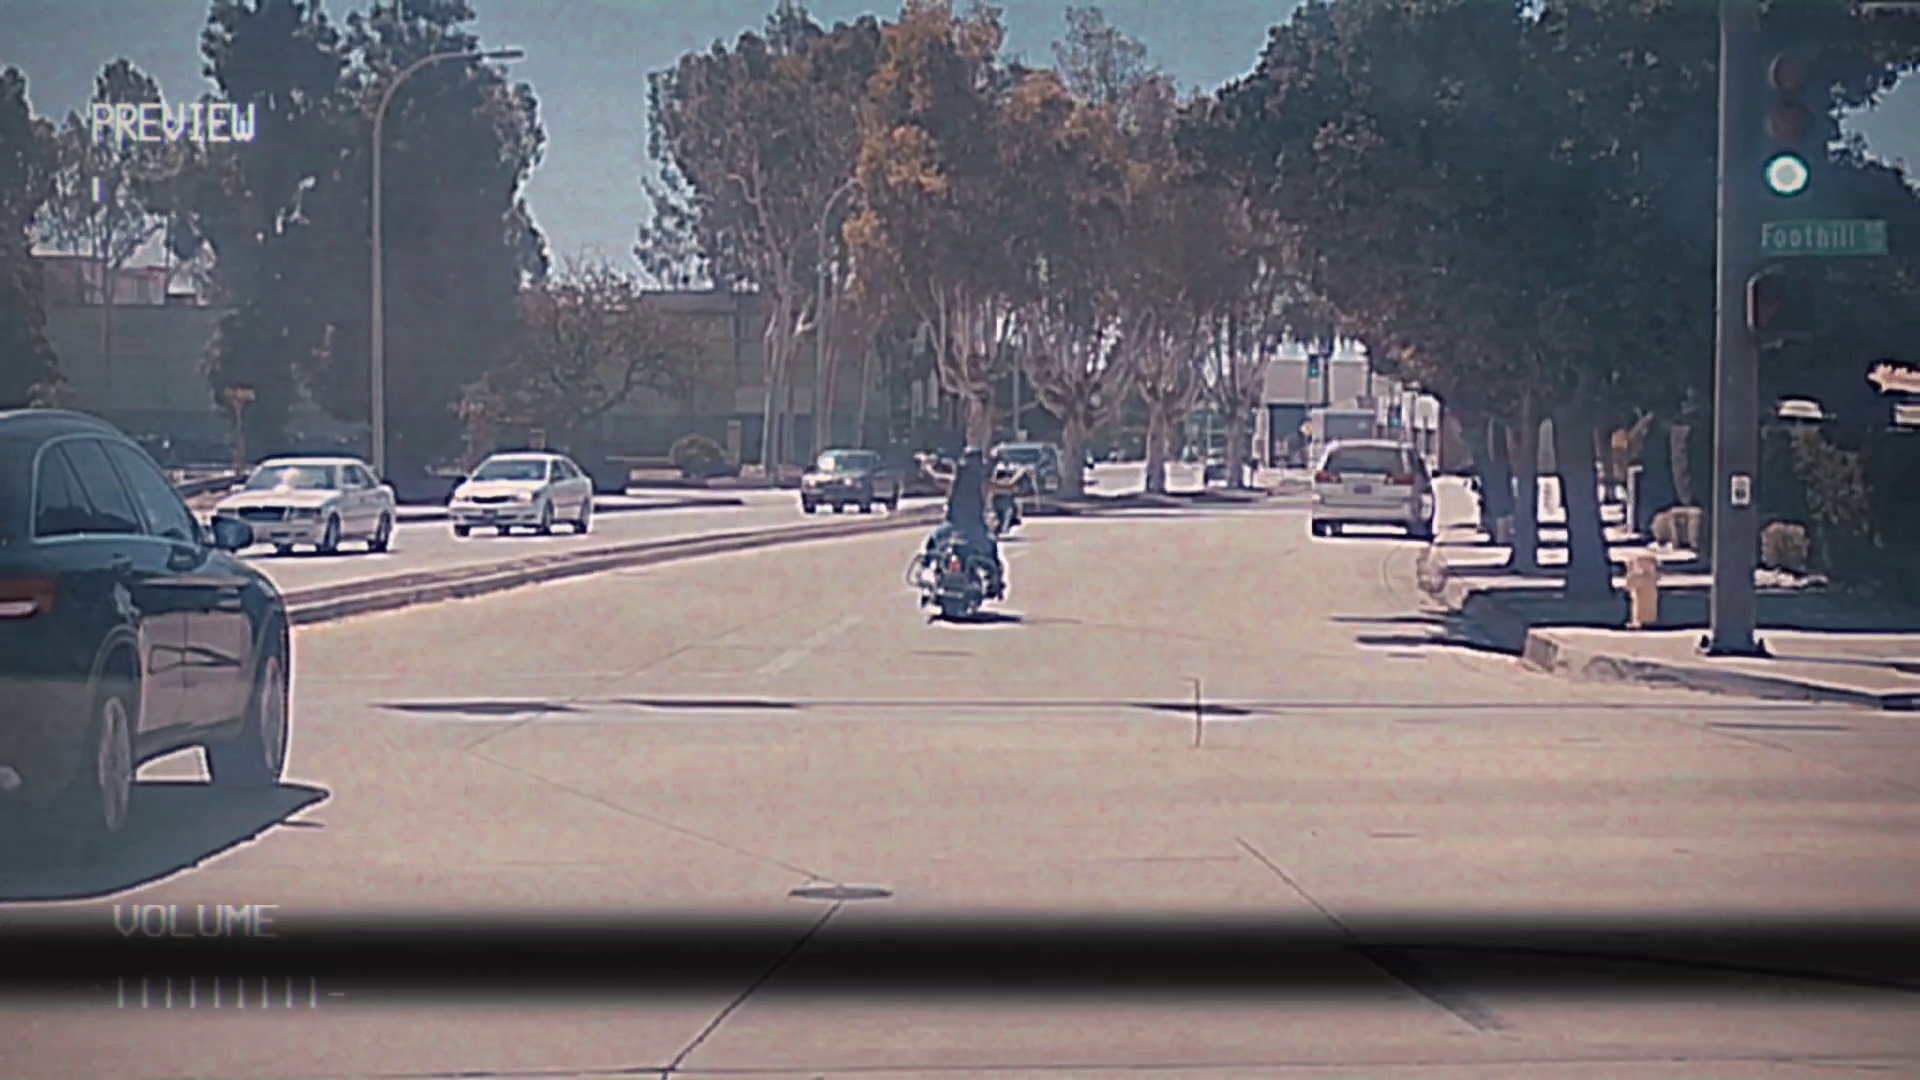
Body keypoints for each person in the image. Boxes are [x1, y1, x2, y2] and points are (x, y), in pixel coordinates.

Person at [920, 447, 1026, 599]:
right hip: (974, 529)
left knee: (932, 546)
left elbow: (935, 478)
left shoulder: (954, 481)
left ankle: (925, 573)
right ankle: (994, 584)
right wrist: (1021, 474)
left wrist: (926, 466)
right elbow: (1009, 488)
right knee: (991, 552)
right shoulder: (982, 484)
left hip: (951, 527)